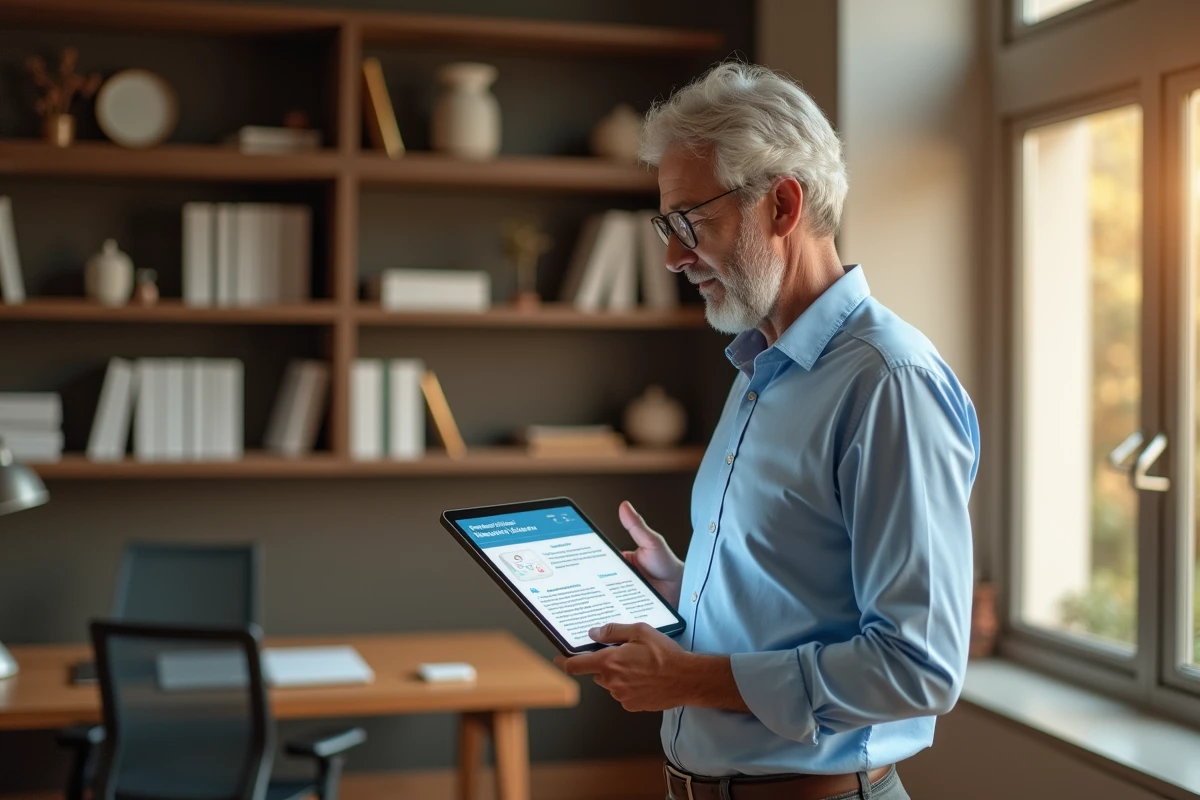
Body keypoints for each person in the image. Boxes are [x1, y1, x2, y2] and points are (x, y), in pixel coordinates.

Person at [555, 63, 980, 800]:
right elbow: (805, 599)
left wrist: (687, 677)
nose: (672, 256)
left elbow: (919, 666)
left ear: (782, 204)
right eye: (667, 223)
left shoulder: (888, 382)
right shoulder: (759, 368)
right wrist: (690, 589)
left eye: (691, 221)